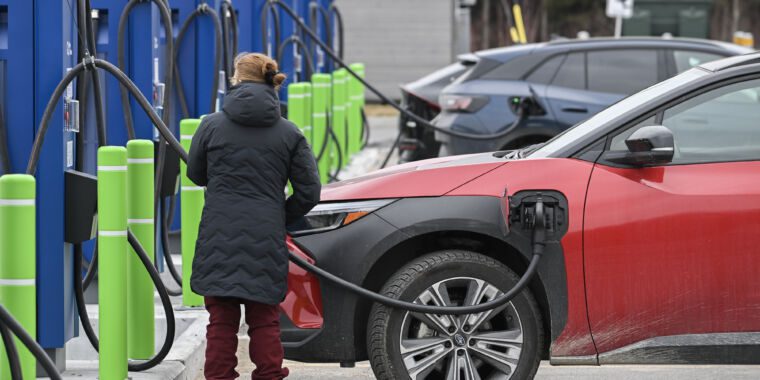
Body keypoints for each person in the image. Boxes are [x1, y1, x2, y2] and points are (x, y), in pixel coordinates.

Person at [186, 52, 321, 380]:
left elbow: (195, 173)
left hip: (218, 234)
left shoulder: (212, 125)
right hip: (265, 235)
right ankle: (270, 374)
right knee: (264, 318)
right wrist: (279, 215)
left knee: (221, 319)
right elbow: (309, 191)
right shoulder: (289, 133)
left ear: (237, 78)